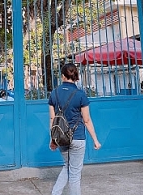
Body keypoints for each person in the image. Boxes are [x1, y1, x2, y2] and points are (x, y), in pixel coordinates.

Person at [48, 63, 101, 195]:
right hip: (77, 137)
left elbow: (53, 119)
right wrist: (95, 140)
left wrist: (53, 139)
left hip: (61, 138)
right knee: (75, 173)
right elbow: (86, 120)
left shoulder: (54, 93)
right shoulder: (80, 95)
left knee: (67, 167)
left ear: (63, 76)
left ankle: (55, 193)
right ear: (75, 75)